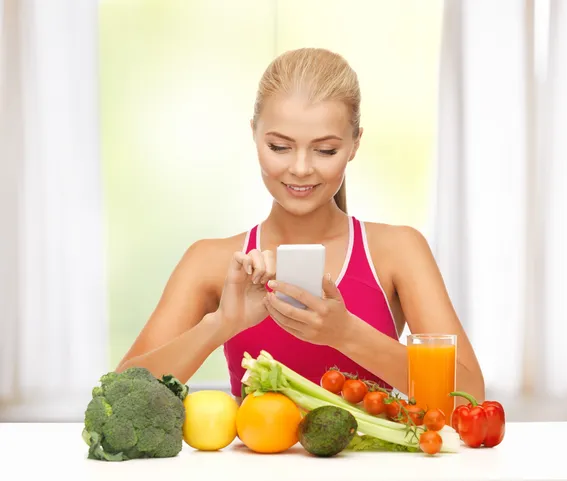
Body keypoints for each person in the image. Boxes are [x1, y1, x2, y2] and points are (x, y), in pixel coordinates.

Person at [116, 47, 485, 404]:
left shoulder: (398, 251)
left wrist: (346, 334)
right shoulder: (210, 261)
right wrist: (221, 324)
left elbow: (469, 397)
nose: (301, 168)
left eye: (325, 150)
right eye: (279, 147)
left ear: (355, 144)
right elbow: (117, 397)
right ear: (255, 136)